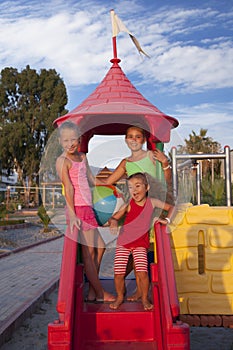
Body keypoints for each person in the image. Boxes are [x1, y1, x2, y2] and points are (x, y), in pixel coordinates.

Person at [99, 125, 174, 300]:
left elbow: (166, 180)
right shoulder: (125, 163)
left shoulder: (152, 155)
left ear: (144, 139)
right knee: (135, 245)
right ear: (126, 140)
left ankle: (143, 290)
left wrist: (165, 163)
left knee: (147, 245)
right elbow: (109, 180)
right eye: (130, 136)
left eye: (138, 136)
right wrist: (85, 178)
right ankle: (138, 289)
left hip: (152, 204)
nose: (134, 139)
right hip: (135, 206)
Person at [56, 121, 115, 302]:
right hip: (78, 210)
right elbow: (69, 188)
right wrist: (73, 215)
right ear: (60, 141)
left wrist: (111, 187)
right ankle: (99, 293)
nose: (70, 144)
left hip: (87, 208)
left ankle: (92, 289)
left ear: (79, 140)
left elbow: (91, 180)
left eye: (73, 140)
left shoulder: (82, 157)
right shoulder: (62, 161)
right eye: (66, 141)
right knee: (89, 255)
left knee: (101, 247)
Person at [108, 172, 174, 311]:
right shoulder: (128, 204)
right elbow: (114, 217)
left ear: (147, 187)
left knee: (142, 273)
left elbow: (171, 208)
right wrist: (113, 222)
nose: (134, 190)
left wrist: (167, 220)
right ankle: (120, 296)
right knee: (119, 274)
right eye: (131, 187)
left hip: (140, 244)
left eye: (137, 186)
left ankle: (144, 298)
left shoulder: (152, 202)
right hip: (124, 243)